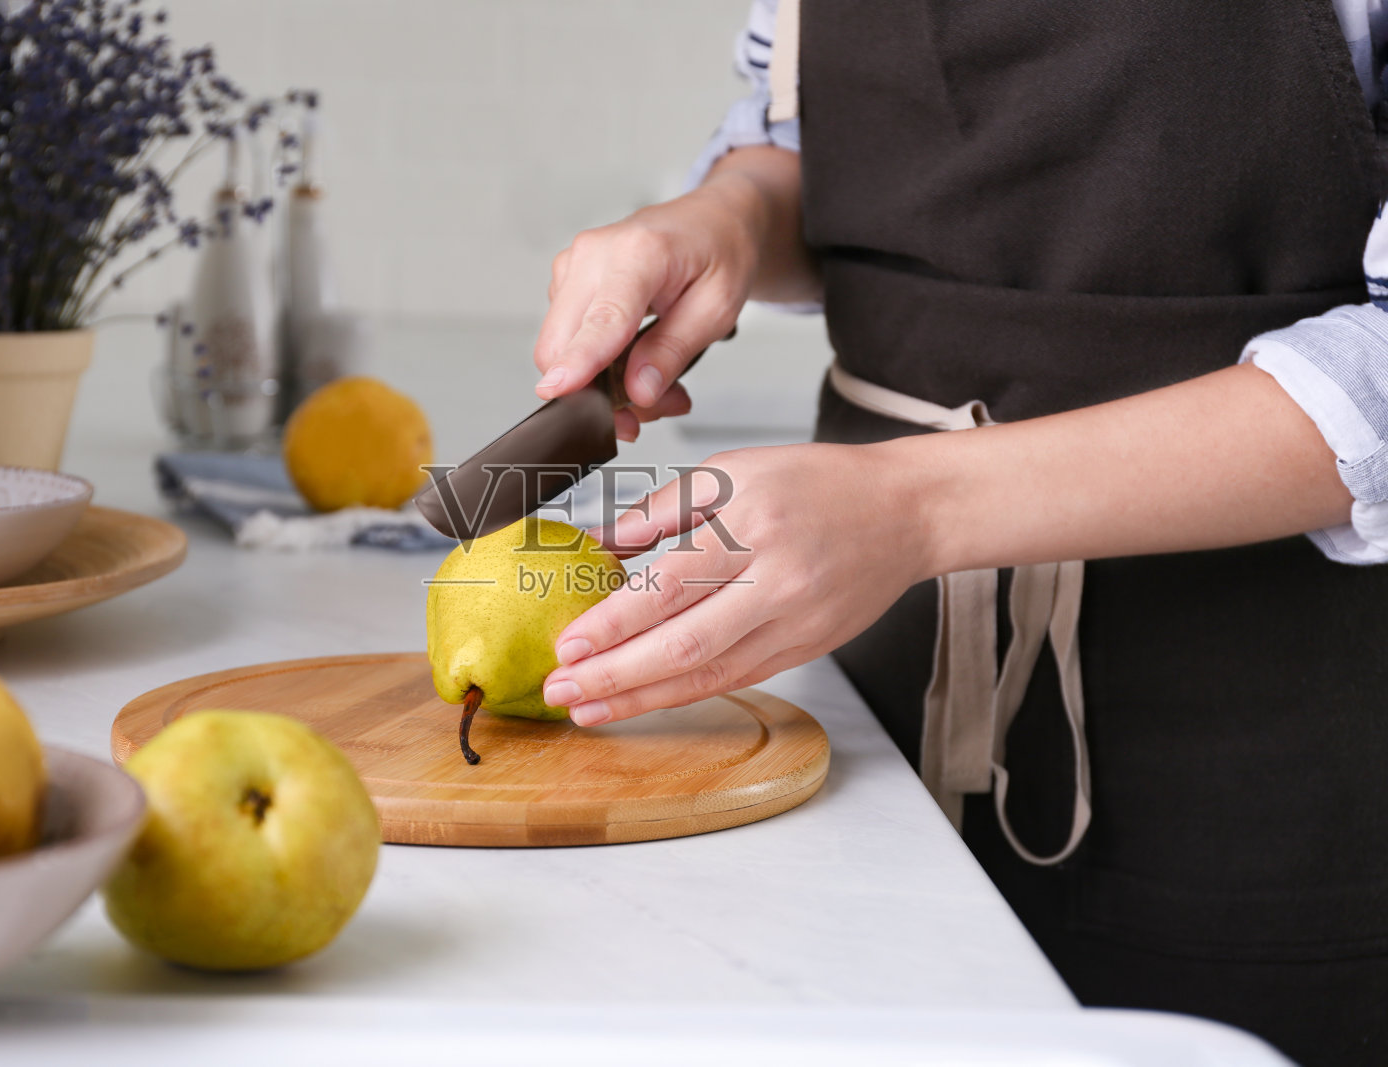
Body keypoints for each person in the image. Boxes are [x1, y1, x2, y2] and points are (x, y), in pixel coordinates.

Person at [530, 1, 1388, 1063]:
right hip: (873, 714)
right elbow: (810, 131)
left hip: (1274, 742)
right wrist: (726, 217)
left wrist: (910, 505)